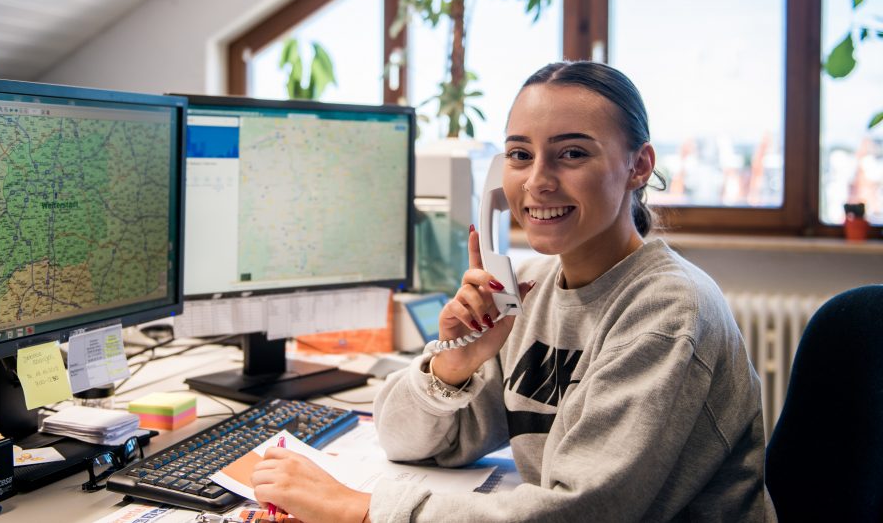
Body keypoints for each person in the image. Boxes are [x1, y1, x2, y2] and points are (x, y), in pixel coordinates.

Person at [251, 60, 774, 522]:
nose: (537, 182)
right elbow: (406, 442)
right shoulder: (532, 288)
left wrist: (361, 511)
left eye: (571, 154)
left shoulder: (667, 311)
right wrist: (452, 367)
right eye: (520, 155)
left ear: (638, 166)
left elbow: (582, 514)